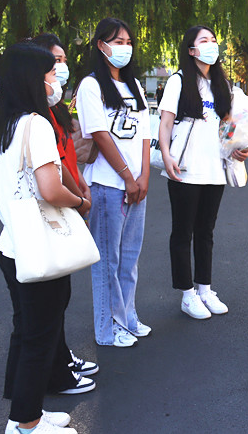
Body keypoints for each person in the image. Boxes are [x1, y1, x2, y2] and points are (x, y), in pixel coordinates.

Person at [0, 42, 86, 433]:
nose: (56, 79)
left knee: (26, 330)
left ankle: (25, 412)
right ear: (34, 79)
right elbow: (50, 188)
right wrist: (79, 201)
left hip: (12, 244)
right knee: (40, 335)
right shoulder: (37, 124)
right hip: (39, 245)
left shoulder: (7, 124)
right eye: (51, 72)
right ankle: (27, 424)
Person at [158, 25, 248, 319]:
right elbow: (165, 123)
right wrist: (166, 155)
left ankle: (205, 289)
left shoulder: (223, 85)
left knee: (206, 232)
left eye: (213, 40)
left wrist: (238, 147)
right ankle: (187, 294)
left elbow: (228, 126)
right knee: (183, 231)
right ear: (191, 50)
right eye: (204, 40)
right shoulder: (179, 81)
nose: (211, 45)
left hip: (214, 169)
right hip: (185, 169)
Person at [75, 18, 151, 348]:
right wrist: (127, 177)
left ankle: (128, 316)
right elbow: (100, 135)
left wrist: (144, 176)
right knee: (108, 261)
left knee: (129, 259)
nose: (124, 47)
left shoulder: (134, 86)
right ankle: (108, 328)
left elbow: (145, 134)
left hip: (136, 187)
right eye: (117, 42)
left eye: (128, 42)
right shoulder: (91, 86)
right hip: (108, 186)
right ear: (101, 45)